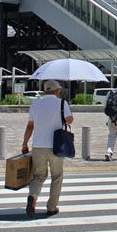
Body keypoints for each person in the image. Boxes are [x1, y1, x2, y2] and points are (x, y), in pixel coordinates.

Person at [20, 79, 73, 219]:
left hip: (38, 145)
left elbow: (30, 126)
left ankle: (33, 196)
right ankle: (51, 207)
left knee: (39, 176)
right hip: (56, 145)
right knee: (57, 176)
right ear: (57, 90)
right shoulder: (62, 103)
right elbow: (70, 120)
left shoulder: (35, 104)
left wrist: (25, 143)